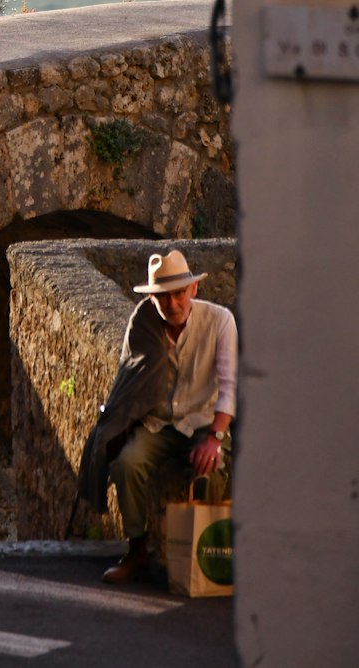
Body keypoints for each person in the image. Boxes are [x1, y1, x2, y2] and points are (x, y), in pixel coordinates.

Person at [77, 248, 237, 584]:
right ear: (153, 300)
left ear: (193, 290)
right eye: (163, 298)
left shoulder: (219, 321)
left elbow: (228, 387)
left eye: (179, 294)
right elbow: (131, 379)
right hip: (159, 424)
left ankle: (206, 560)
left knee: (211, 474)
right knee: (126, 464)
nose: (172, 304)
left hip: (202, 423)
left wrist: (214, 439)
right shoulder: (144, 325)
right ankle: (136, 551)